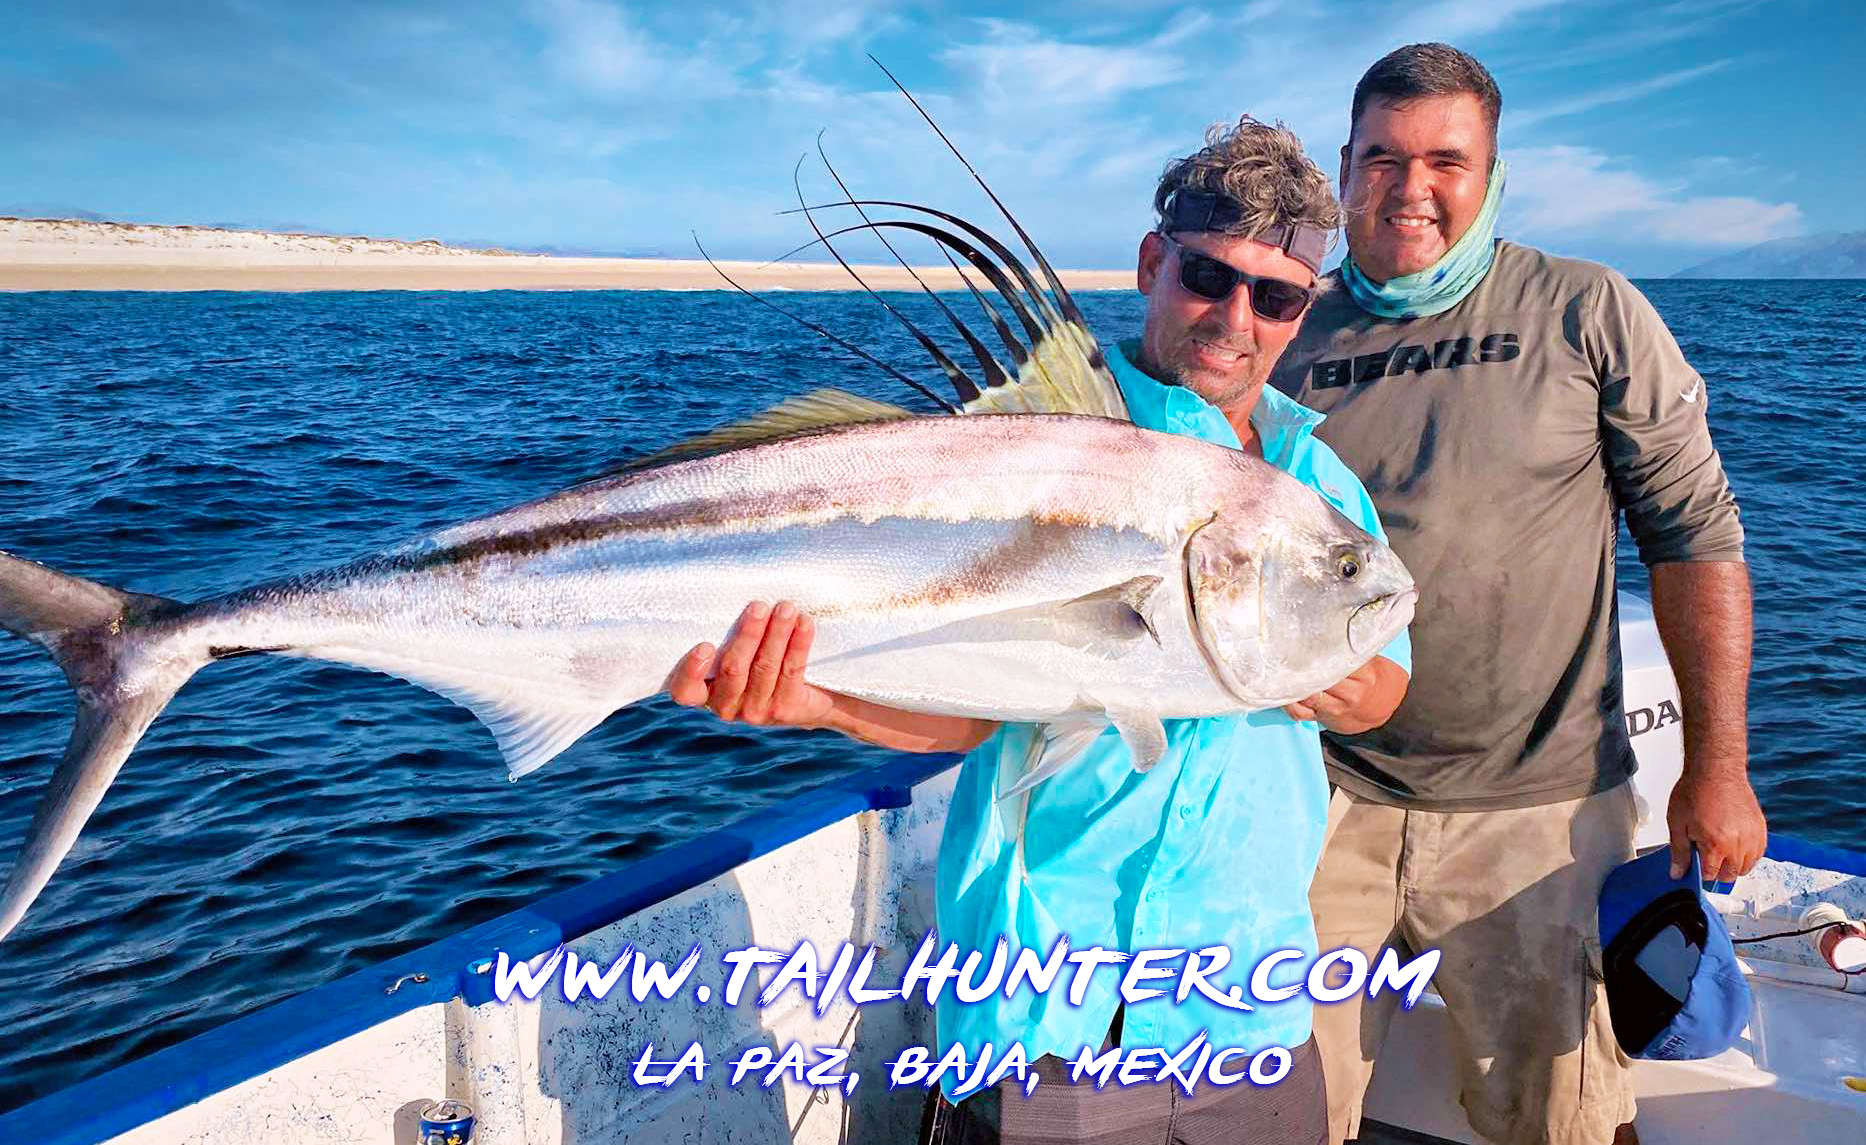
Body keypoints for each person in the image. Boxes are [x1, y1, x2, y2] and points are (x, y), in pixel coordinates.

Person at [666, 117, 1411, 1145]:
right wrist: (819, 699)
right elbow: (980, 714)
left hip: (1251, 1016)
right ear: (1152, 264)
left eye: (1275, 296)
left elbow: (1384, 677)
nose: (1235, 318)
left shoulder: (1319, 484)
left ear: (1301, 311)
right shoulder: (1043, 438)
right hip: (1051, 1030)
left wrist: (1329, 674)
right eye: (1207, 275)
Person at [1266, 43, 1767, 1145]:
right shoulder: (1284, 328)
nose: (1410, 188)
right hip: (1314, 797)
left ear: (1493, 175)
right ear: (1343, 169)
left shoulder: (1585, 308)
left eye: (1446, 160)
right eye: (1382, 158)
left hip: (1538, 815)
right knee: (1282, 1112)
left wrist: (1718, 768)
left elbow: (1694, 536)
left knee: (1564, 1119)